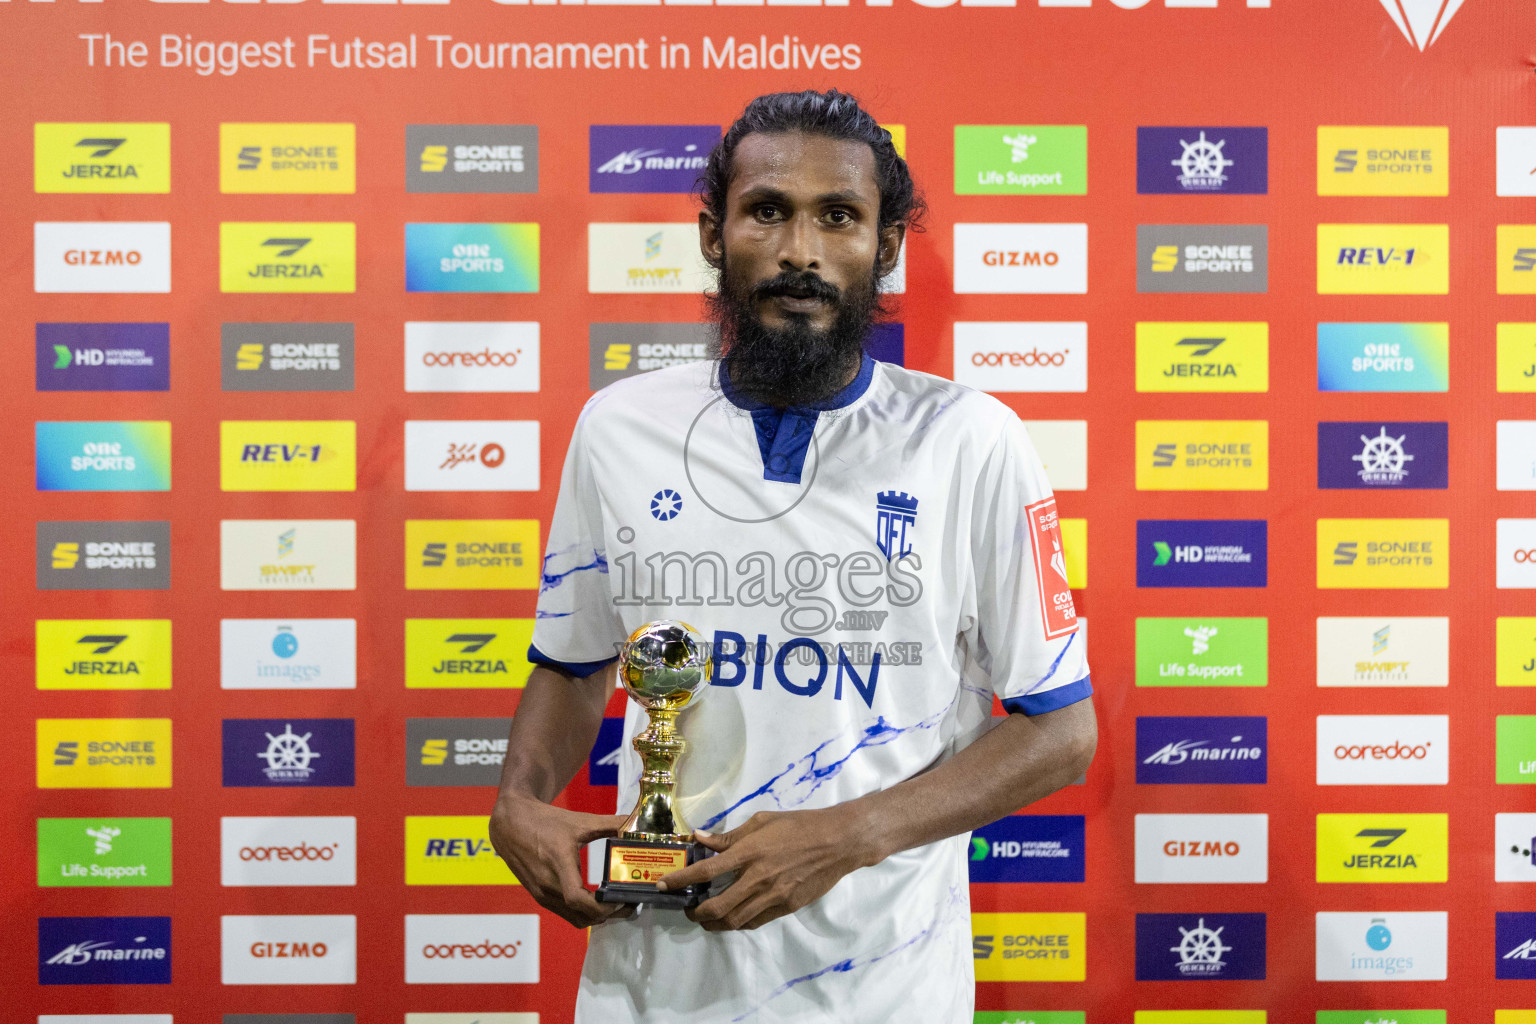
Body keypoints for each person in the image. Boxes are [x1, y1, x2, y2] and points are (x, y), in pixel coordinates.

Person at [489, 89, 1097, 1023]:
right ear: (712, 233)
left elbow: (1061, 732)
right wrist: (519, 801)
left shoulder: (972, 440)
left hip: (884, 986)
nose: (800, 251)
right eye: (767, 210)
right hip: (652, 982)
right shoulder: (618, 428)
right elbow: (572, 668)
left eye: (839, 217)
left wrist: (846, 836)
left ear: (884, 247)